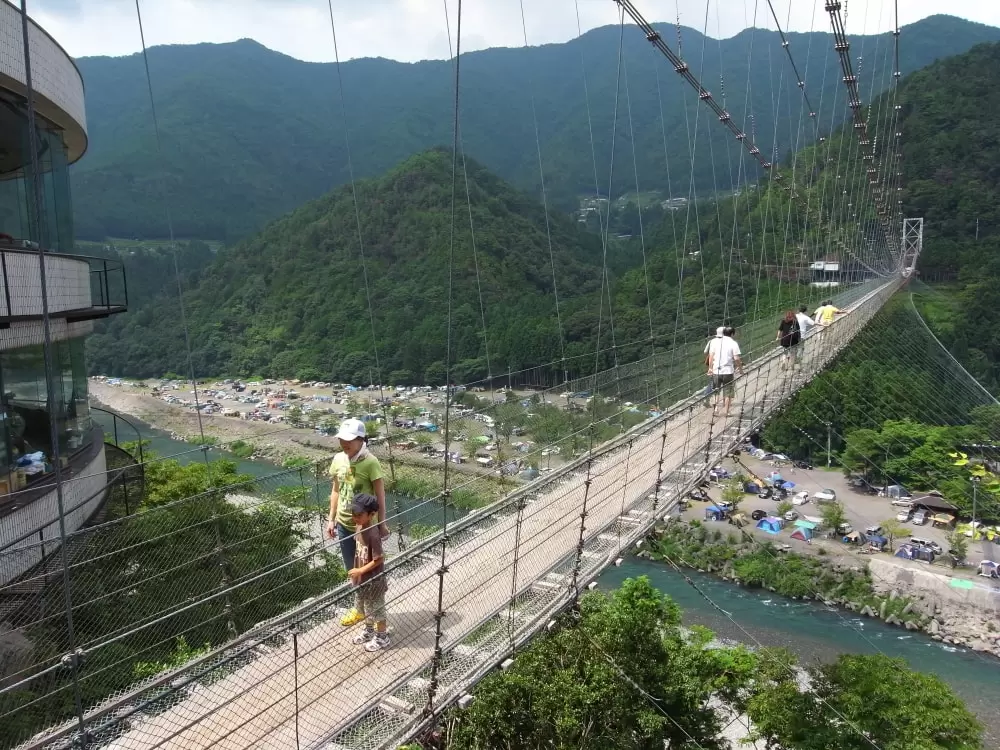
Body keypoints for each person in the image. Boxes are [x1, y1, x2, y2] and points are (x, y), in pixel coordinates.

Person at [326, 417, 387, 627]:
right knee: (352, 569)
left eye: (349, 439)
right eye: (342, 438)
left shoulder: (371, 462)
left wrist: (382, 523)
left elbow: (380, 495)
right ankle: (359, 610)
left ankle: (376, 615)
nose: (344, 443)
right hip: (345, 524)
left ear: (361, 440)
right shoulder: (338, 459)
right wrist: (331, 519)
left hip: (367, 528)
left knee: (369, 570)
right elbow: (335, 490)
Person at [347, 493, 390, 651]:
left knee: (377, 608)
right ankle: (369, 630)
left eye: (359, 515)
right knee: (365, 606)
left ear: (372, 514)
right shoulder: (359, 527)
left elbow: (379, 559)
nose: (355, 518)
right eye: (353, 514)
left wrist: (360, 570)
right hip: (362, 580)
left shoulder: (373, 534)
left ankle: (382, 637)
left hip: (374, 580)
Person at [707, 326, 742, 417]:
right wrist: (740, 369)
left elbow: (711, 356)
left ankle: (715, 410)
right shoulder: (733, 343)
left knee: (716, 391)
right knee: (728, 392)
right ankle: (726, 411)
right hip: (728, 371)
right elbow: (736, 358)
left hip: (716, 370)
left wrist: (710, 368)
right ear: (732, 334)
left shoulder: (715, 342)